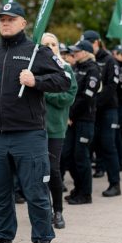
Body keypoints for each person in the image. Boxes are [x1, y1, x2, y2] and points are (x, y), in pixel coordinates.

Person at [0, 2, 71, 243]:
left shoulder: (35, 53)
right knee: (0, 193)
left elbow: (63, 80)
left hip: (29, 136)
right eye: (2, 19)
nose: (5, 23)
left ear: (23, 23)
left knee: (36, 194)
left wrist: (36, 82)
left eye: (11, 19)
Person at [41, 33, 77, 228]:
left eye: (53, 44)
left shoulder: (66, 69)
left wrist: (45, 92)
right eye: (45, 44)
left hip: (55, 128)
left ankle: (58, 211)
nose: (49, 47)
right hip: (35, 128)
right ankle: (43, 209)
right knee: (38, 172)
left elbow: (67, 98)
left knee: (53, 170)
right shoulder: (34, 70)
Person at [64, 40, 100, 204]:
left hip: (84, 119)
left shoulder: (93, 70)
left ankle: (85, 194)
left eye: (77, 51)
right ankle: (78, 189)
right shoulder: (76, 68)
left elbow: (86, 97)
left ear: (86, 52)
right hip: (72, 119)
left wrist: (71, 114)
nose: (74, 54)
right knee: (70, 155)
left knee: (81, 156)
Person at [92, 36, 122, 197]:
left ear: (96, 42)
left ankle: (115, 183)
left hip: (108, 110)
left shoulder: (110, 61)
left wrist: (96, 103)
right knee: (97, 145)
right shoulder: (90, 61)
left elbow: (111, 87)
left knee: (109, 146)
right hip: (94, 111)